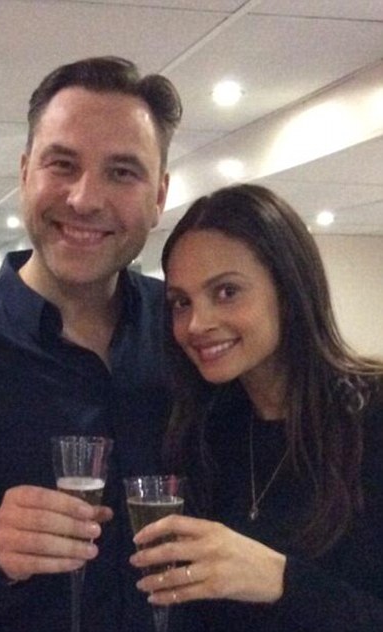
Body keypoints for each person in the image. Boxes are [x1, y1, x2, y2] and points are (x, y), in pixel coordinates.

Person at [0, 56, 184, 631]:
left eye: (122, 172)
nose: (86, 199)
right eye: (62, 164)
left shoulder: (190, 334)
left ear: (159, 195)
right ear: (24, 173)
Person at [128, 183, 383, 631]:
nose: (196, 324)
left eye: (226, 292)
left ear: (288, 290)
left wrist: (279, 579)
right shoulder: (204, 428)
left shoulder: (371, 417)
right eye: (180, 303)